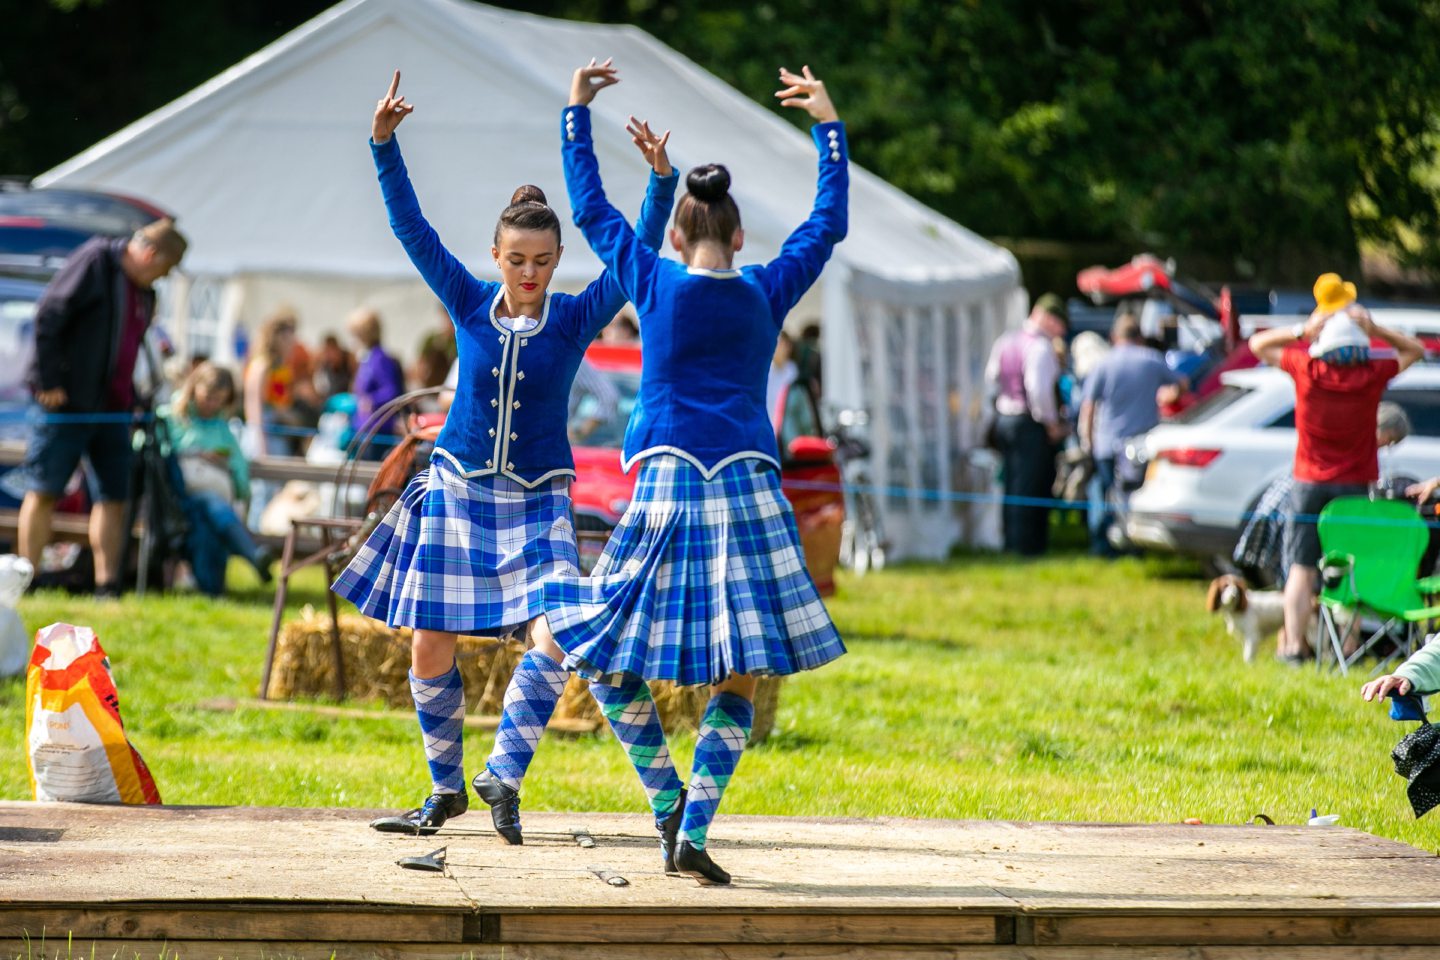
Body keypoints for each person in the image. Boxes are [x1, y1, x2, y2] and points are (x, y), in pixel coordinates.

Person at [331, 69, 678, 836]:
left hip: (538, 498)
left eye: (543, 260)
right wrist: (383, 145)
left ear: (558, 259)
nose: (529, 274)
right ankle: (445, 788)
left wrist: (661, 182)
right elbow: (412, 231)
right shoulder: (463, 300)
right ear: (496, 254)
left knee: (555, 634)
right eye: (517, 259)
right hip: (458, 490)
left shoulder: (577, 316)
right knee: (429, 642)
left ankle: (503, 776)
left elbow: (637, 253)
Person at [541, 60, 849, 886]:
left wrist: (577, 113)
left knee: (600, 650)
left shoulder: (651, 277)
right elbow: (828, 223)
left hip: (668, 480)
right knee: (739, 668)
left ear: (675, 237)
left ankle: (666, 798)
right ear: (739, 236)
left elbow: (591, 209)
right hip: (749, 484)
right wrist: (828, 125)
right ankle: (692, 824)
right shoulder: (767, 287)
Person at [1248, 273, 1424, 663]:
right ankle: (1346, 647)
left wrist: (1301, 329)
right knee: (1350, 569)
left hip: (1308, 482)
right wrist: (1375, 327)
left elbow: (1256, 344)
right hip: (1355, 486)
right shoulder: (1369, 377)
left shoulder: (1306, 371)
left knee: (1300, 568)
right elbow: (1416, 351)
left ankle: (1294, 647)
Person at [20, 218, 188, 597]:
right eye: (163, 268)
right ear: (149, 253)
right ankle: (27, 580)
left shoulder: (144, 292)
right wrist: (48, 380)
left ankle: (107, 586)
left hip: (114, 410)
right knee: (44, 490)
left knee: (115, 497)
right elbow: (49, 313)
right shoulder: (95, 261)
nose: (162, 277)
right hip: (66, 406)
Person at [1079, 312, 1186, 556]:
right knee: (1135, 497)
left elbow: (1088, 406)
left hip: (1106, 443)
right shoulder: (1152, 359)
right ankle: (1136, 547)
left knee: (1106, 495)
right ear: (1139, 337)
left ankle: (1102, 547)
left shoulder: (1103, 363)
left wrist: (1088, 441)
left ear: (1115, 336)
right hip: (1140, 444)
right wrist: (1168, 396)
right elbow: (1183, 383)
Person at [161, 363, 274, 594]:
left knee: (208, 520)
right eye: (208, 397)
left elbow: (239, 466)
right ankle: (252, 554)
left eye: (219, 400)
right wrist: (198, 453)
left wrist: (225, 465)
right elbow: (163, 453)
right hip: (177, 498)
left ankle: (212, 589)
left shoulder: (222, 427)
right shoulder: (170, 416)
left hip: (213, 502)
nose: (212, 405)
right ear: (194, 389)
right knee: (211, 505)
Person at [983, 293, 1069, 556]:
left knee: (1011, 484)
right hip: (1028, 423)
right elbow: (1038, 390)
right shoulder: (1040, 347)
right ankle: (1025, 546)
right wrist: (1051, 423)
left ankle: (1010, 540)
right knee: (1029, 486)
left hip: (1004, 419)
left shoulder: (1006, 340)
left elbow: (992, 379)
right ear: (1049, 319)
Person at [347, 307, 406, 456]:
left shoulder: (380, 359)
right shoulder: (367, 358)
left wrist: (371, 401)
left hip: (378, 431)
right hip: (365, 429)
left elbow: (391, 391)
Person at [766, 330, 799, 424]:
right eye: (780, 343)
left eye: (786, 345)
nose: (783, 348)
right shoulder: (766, 371)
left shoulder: (793, 370)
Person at [313, 333, 358, 401]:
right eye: (326, 352)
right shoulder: (324, 361)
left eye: (331, 351)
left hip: (348, 398)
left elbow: (357, 380)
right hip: (332, 399)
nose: (329, 356)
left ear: (337, 349)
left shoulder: (349, 359)